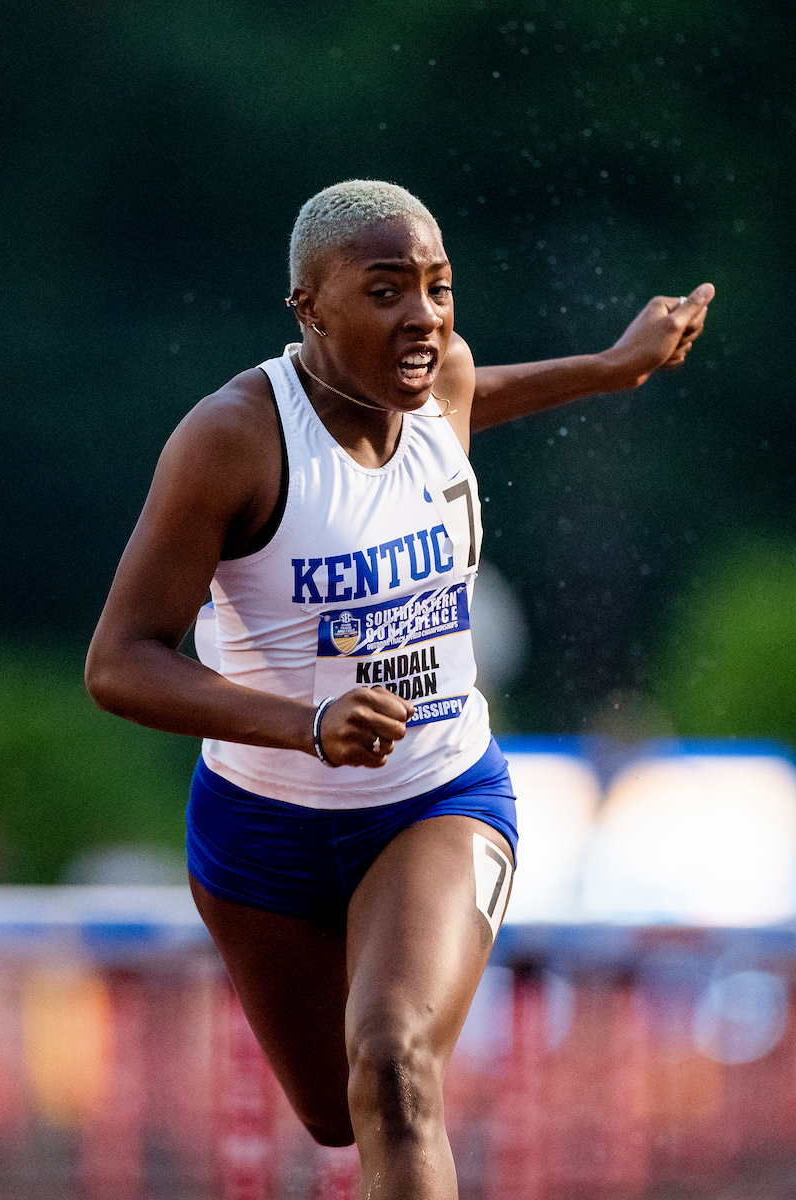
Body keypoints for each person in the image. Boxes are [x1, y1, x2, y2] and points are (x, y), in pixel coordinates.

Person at [85, 180, 713, 1199]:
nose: (422, 316)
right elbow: (119, 662)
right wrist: (307, 724)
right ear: (309, 307)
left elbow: (468, 394)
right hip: (261, 824)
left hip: (436, 794)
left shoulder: (438, 380)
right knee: (335, 1112)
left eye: (438, 287)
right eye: (385, 292)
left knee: (392, 1068)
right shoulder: (234, 439)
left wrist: (609, 369)